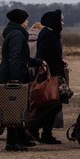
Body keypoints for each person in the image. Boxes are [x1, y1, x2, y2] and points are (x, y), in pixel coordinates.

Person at [0, 9, 43, 151]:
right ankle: (11, 142)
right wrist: (15, 78)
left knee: (21, 105)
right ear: (20, 20)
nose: (28, 21)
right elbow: (15, 57)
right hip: (12, 75)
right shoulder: (17, 34)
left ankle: (21, 138)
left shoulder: (14, 33)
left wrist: (39, 62)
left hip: (12, 73)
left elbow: (22, 58)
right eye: (25, 19)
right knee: (14, 107)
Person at [29, 9, 66, 145]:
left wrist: (60, 60)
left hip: (55, 73)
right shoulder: (47, 34)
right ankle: (33, 128)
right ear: (54, 21)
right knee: (52, 104)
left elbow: (52, 53)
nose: (63, 23)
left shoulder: (53, 34)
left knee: (55, 104)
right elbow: (42, 55)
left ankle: (46, 134)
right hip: (49, 75)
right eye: (61, 20)